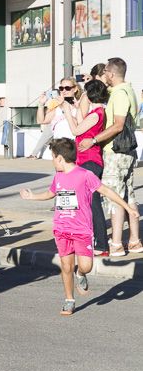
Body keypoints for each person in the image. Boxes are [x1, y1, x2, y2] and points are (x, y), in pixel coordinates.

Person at [21, 138, 138, 315]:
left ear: (60, 158)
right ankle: (69, 299)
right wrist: (32, 197)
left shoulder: (85, 175)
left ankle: (81, 274)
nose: (52, 161)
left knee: (86, 266)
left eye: (53, 157)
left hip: (82, 230)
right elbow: (51, 193)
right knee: (66, 266)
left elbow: (106, 191)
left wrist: (128, 207)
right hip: (61, 229)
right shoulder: (58, 176)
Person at [78, 58, 141, 256]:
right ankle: (134, 241)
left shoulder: (120, 94)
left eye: (105, 72)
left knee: (114, 196)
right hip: (126, 152)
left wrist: (93, 140)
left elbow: (118, 125)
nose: (104, 75)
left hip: (116, 152)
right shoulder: (125, 90)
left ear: (112, 74)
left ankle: (115, 244)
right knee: (127, 196)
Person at [61, 79, 109, 255]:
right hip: (85, 160)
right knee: (86, 203)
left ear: (90, 94)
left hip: (90, 160)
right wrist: (75, 107)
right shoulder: (95, 112)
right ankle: (94, 240)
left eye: (86, 93)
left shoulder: (97, 113)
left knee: (93, 203)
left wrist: (67, 113)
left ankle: (102, 245)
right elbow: (81, 122)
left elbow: (76, 131)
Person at [30, 77, 81, 158]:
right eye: (61, 88)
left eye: (67, 88)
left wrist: (64, 108)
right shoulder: (58, 106)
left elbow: (79, 125)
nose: (64, 91)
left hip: (72, 146)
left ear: (75, 89)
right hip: (58, 147)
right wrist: (41, 104)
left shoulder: (80, 104)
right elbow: (41, 120)